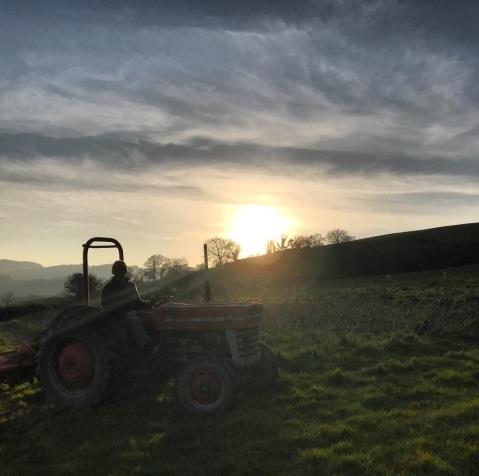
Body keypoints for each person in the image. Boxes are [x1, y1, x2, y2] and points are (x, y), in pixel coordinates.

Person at [101, 260, 152, 348]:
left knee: (152, 314)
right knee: (132, 318)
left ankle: (156, 339)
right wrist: (122, 312)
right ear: (114, 271)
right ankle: (145, 345)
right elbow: (106, 306)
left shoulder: (130, 285)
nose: (121, 272)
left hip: (132, 312)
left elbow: (138, 301)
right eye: (119, 269)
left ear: (125, 271)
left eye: (123, 269)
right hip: (116, 316)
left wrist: (148, 304)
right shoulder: (108, 288)